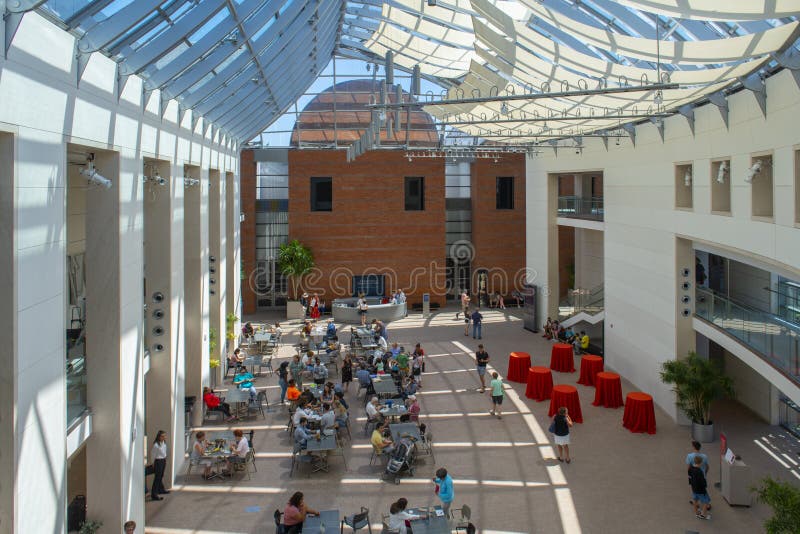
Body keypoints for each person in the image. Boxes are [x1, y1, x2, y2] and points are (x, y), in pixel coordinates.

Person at [686, 440, 711, 509]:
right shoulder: (704, 456)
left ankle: (698, 503)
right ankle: (705, 503)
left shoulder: (689, 456)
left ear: (693, 447)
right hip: (701, 476)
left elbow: (688, 468)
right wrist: (705, 474)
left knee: (695, 489)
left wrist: (689, 475)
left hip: (693, 476)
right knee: (703, 490)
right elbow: (707, 467)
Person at [689, 455, 712, 520]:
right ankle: (703, 515)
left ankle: (696, 512)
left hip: (694, 488)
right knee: (706, 501)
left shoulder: (691, 468)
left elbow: (690, 478)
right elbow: (703, 482)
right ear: (700, 463)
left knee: (695, 500)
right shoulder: (700, 471)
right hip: (701, 490)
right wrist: (705, 486)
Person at [150, 430, 168, 500]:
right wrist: (153, 463)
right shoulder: (156, 445)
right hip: (158, 461)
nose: (164, 437)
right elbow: (152, 455)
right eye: (162, 436)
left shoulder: (163, 443)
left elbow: (164, 452)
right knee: (157, 478)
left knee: (161, 476)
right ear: (159, 436)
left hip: (163, 460)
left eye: (164, 436)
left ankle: (161, 489)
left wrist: (165, 459)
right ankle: (154, 494)